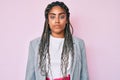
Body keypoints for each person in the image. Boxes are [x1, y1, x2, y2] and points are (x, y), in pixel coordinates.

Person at [25, 1, 89, 80]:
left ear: (66, 20)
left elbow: (84, 75)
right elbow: (30, 76)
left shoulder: (79, 44)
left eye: (61, 17)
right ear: (47, 20)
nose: (57, 21)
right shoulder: (34, 45)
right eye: (52, 17)